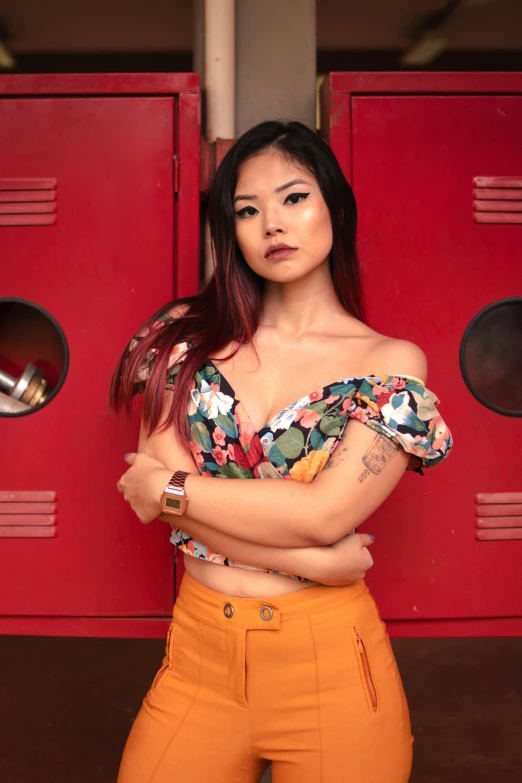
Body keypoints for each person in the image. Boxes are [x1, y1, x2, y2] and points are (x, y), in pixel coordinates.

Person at [111, 120, 453, 783]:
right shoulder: (181, 341)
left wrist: (173, 492)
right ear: (230, 231)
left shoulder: (388, 363)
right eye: (247, 209)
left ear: (335, 209)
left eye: (294, 198)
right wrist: (318, 564)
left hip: (329, 666)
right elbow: (153, 489)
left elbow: (322, 514)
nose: (272, 223)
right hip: (199, 663)